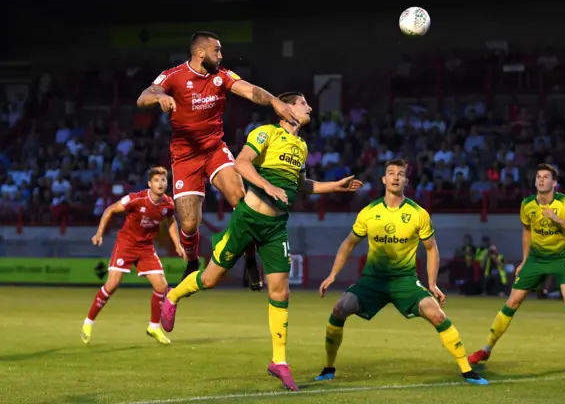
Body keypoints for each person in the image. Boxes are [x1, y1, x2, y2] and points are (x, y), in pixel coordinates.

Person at [160, 92, 363, 391]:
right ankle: (174, 296)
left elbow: (301, 185)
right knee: (211, 278)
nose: (308, 107)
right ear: (286, 110)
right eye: (302, 102)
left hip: (276, 227)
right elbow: (241, 164)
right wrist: (269, 186)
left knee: (281, 292)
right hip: (248, 220)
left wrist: (336, 186)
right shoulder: (266, 133)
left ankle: (279, 362)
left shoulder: (301, 146)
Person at [137, 31, 300, 290]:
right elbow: (144, 95)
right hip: (184, 157)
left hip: (214, 149)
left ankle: (249, 261)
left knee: (240, 198)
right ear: (200, 53)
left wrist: (273, 102)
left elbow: (248, 89)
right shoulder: (174, 76)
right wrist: (160, 97)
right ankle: (191, 262)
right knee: (189, 223)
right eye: (217, 51)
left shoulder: (220, 75)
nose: (221, 56)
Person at [315, 159, 488, 386]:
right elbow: (348, 244)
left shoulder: (418, 214)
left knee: (436, 314)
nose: (396, 177)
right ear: (384, 179)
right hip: (373, 281)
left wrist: (433, 283)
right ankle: (328, 368)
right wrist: (333, 274)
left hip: (405, 280)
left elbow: (431, 249)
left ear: (406, 180)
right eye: (391, 173)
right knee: (339, 310)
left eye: (400, 174)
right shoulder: (369, 212)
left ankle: (467, 371)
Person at [468, 163, 565, 370]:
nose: (541, 180)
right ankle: (486, 349)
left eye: (545, 177)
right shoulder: (527, 205)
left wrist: (557, 219)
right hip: (536, 259)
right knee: (512, 301)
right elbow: (526, 231)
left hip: (562, 257)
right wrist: (524, 260)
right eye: (538, 177)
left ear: (554, 183)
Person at [81, 166, 186, 345]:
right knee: (113, 284)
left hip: (146, 248)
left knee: (161, 286)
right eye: (156, 180)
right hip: (126, 245)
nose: (160, 184)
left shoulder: (167, 204)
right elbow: (110, 209)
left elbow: (171, 222)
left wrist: (178, 244)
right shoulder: (136, 199)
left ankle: (153, 326)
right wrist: (99, 233)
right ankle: (88, 322)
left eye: (163, 180)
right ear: (149, 183)